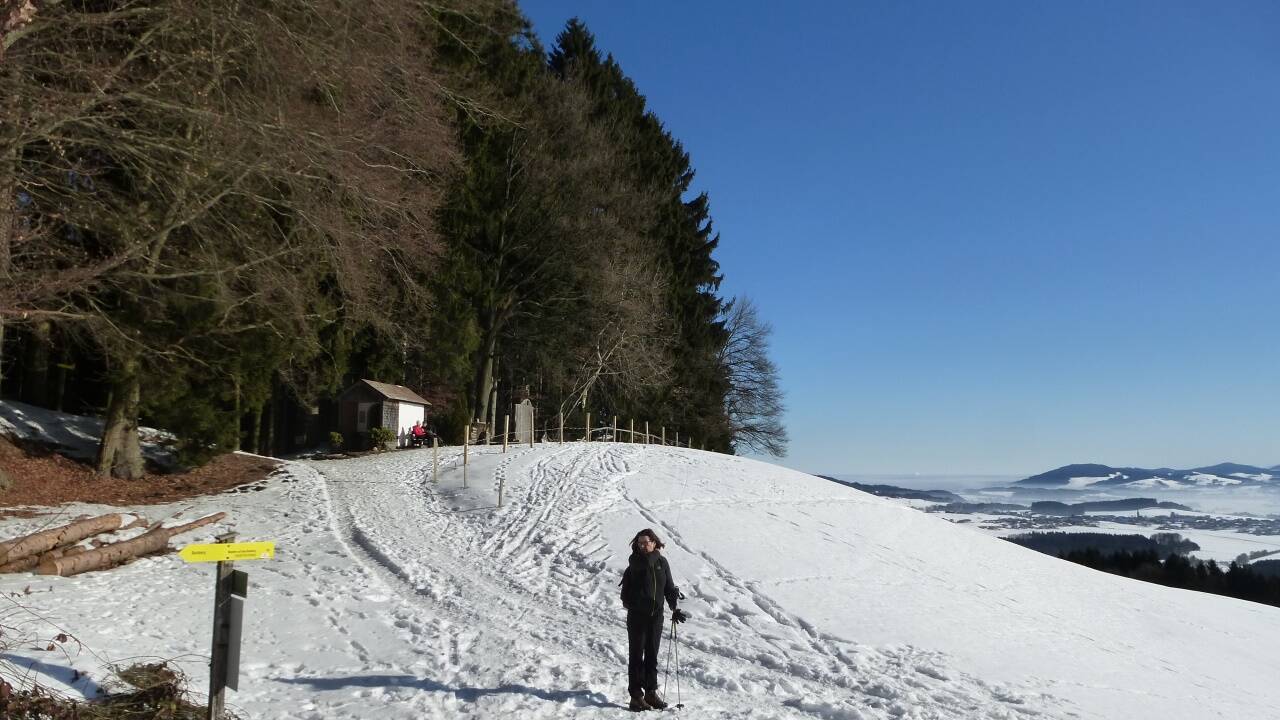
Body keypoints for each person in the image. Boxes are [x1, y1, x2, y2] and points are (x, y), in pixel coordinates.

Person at [619, 528, 689, 711]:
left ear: (654, 542)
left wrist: (674, 607)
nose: (643, 546)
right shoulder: (635, 562)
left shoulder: (662, 562)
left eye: (646, 542)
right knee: (636, 657)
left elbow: (669, 588)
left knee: (652, 656)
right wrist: (655, 553)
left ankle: (650, 693)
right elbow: (646, 563)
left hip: (656, 616)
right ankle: (636, 697)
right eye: (640, 543)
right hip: (637, 616)